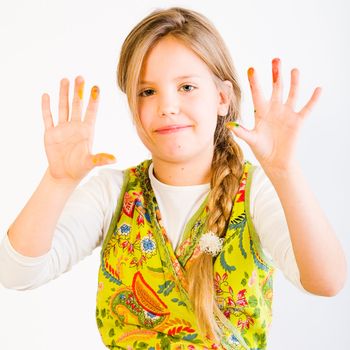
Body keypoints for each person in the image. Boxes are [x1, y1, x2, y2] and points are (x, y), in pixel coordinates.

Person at [0, 6, 346, 350]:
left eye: (186, 87)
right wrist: (57, 181)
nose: (167, 106)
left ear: (222, 98)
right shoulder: (112, 193)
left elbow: (326, 282)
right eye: (147, 92)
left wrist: (285, 173)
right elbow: (16, 274)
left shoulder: (253, 193)